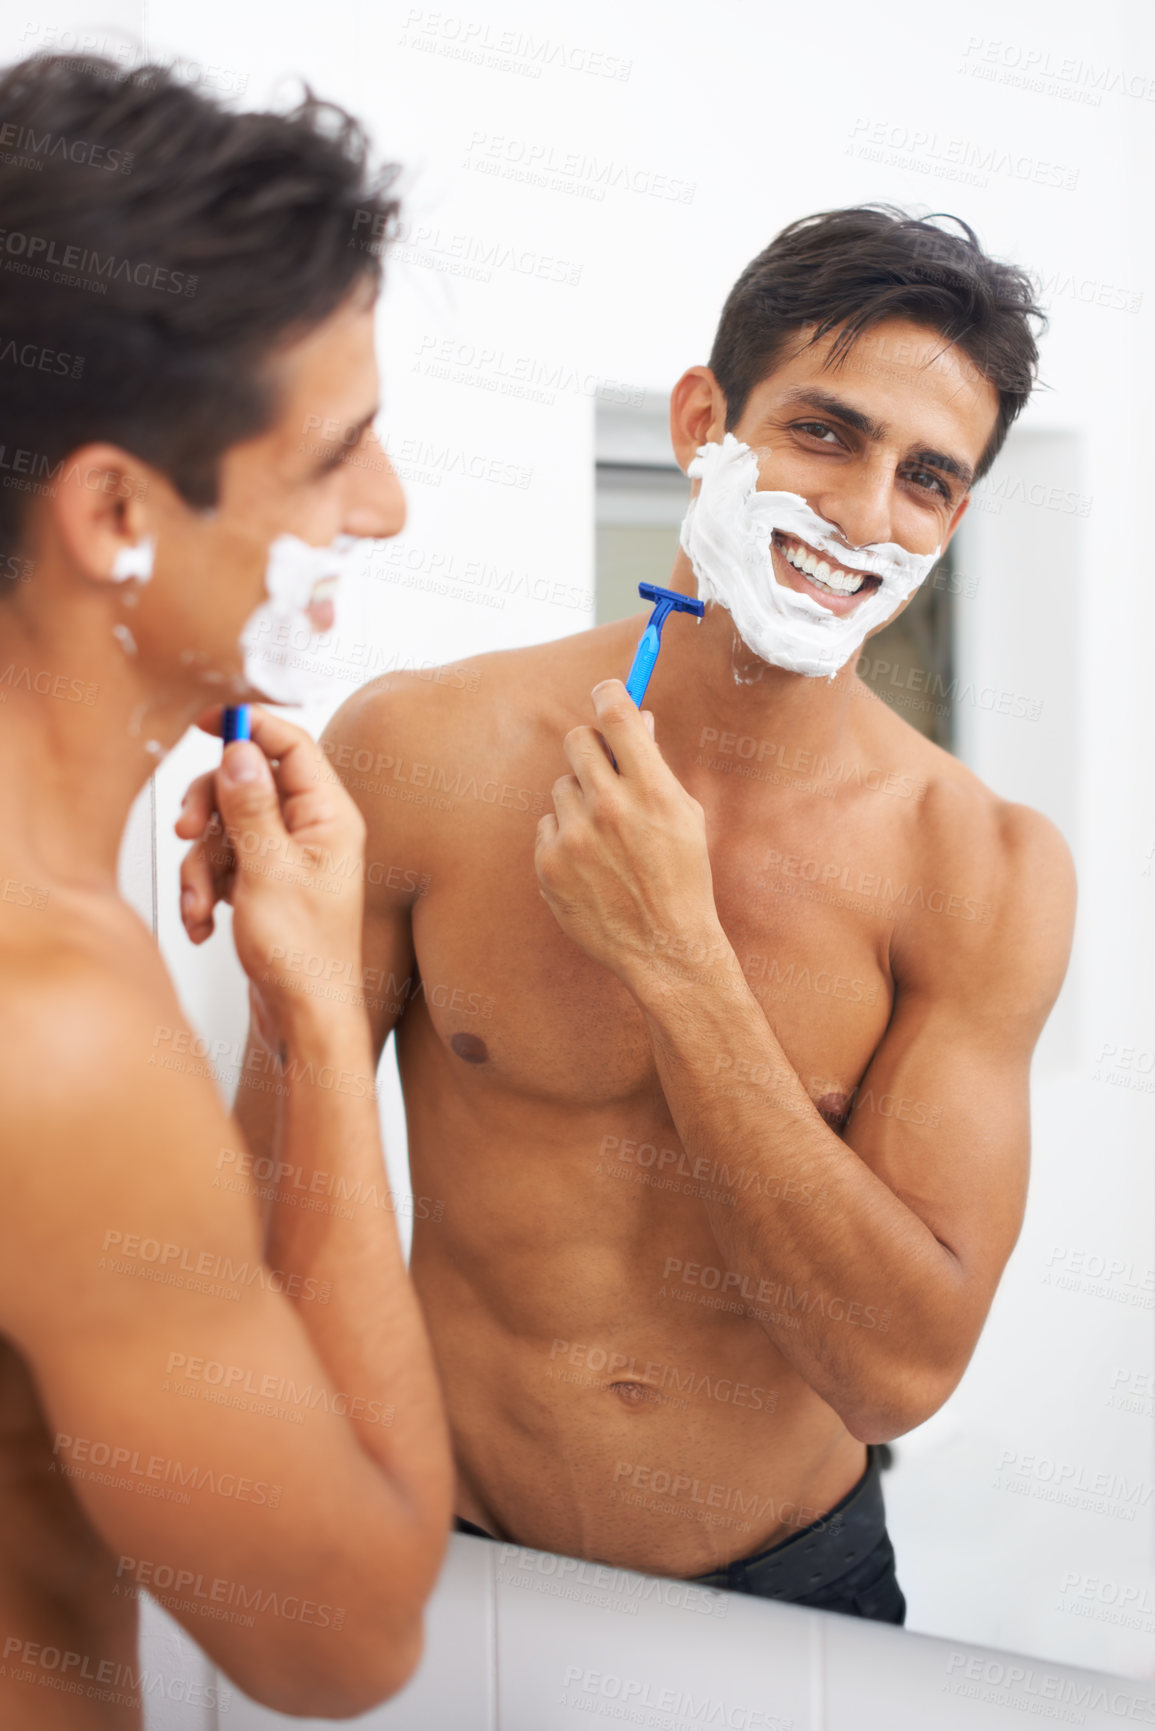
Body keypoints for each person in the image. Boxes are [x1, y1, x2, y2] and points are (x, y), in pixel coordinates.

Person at [203, 207, 1076, 1626]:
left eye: (926, 478)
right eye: (825, 433)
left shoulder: (983, 870)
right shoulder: (424, 747)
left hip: (798, 1587)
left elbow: (893, 1375)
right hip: (439, 1545)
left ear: (957, 517)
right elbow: (263, 1204)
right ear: (701, 421)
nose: (864, 515)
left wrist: (680, 960)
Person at [0, 52, 452, 1725]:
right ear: (115, 510)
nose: (386, 510)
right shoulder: (51, 1028)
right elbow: (345, 1640)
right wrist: (326, 1024)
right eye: (337, 455)